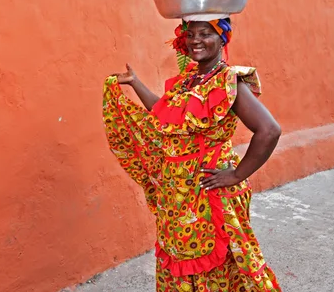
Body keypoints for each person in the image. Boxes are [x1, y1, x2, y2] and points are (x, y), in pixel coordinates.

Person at [102, 16, 282, 291]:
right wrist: (136, 83)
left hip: (210, 192)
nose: (196, 40)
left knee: (218, 260)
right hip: (177, 194)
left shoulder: (228, 81)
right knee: (181, 256)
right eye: (190, 34)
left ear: (222, 39)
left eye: (205, 33)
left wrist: (236, 174)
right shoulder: (189, 80)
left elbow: (269, 130)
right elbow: (164, 114)